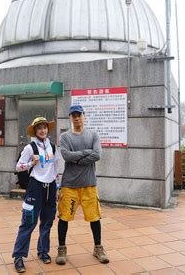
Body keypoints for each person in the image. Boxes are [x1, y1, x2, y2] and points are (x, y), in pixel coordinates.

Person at [56, 105, 109, 265]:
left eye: (79, 115)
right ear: (70, 118)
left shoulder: (93, 134)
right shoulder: (65, 137)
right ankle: (62, 248)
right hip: (69, 184)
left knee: (94, 217)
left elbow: (97, 154)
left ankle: (98, 247)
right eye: (74, 115)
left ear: (84, 116)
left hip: (89, 184)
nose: (77, 118)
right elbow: (66, 155)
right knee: (64, 217)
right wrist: (86, 153)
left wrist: (77, 158)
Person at [12, 116, 59, 273]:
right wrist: (31, 163)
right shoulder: (30, 148)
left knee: (47, 222)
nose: (43, 130)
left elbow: (56, 168)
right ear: (35, 130)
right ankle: (18, 256)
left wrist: (57, 187)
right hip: (35, 187)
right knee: (28, 222)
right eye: (39, 128)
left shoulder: (52, 146)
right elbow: (18, 167)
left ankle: (43, 251)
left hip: (50, 187)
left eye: (45, 127)